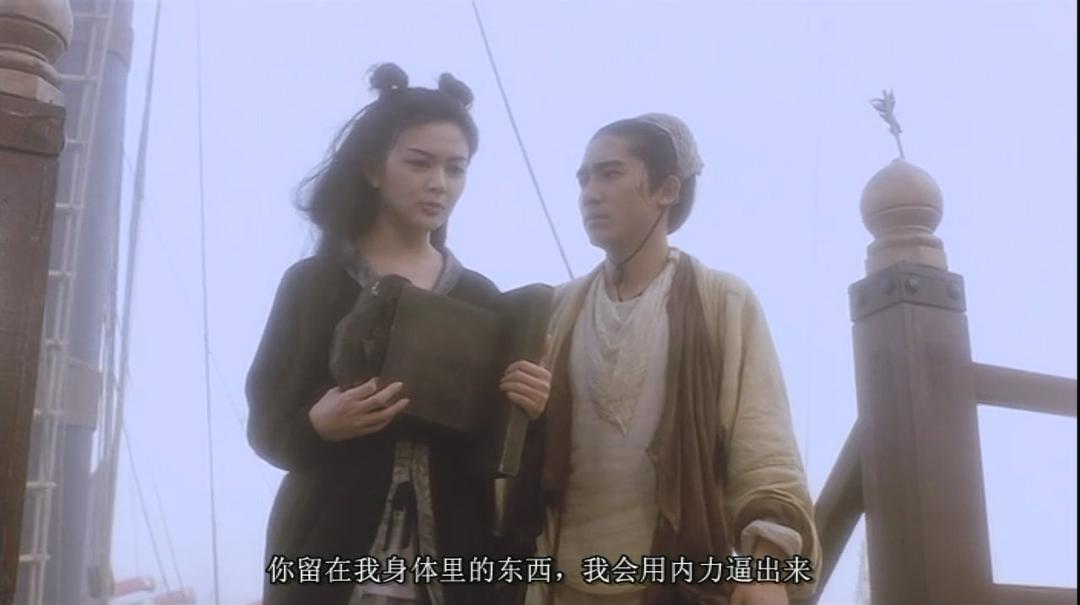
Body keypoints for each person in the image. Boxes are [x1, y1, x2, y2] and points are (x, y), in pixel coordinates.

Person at [246, 62, 552, 605]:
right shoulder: (315, 284)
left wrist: (533, 409)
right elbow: (267, 427)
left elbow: (507, 458)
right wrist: (319, 425)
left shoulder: (480, 298)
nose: (439, 183)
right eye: (419, 162)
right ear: (373, 168)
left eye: (456, 169)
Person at [500, 114, 820, 605]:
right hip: (560, 582)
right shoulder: (557, 309)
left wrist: (767, 569)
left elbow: (765, 452)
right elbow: (510, 457)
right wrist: (532, 415)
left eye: (610, 174)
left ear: (668, 189)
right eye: (583, 179)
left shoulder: (721, 302)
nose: (590, 193)